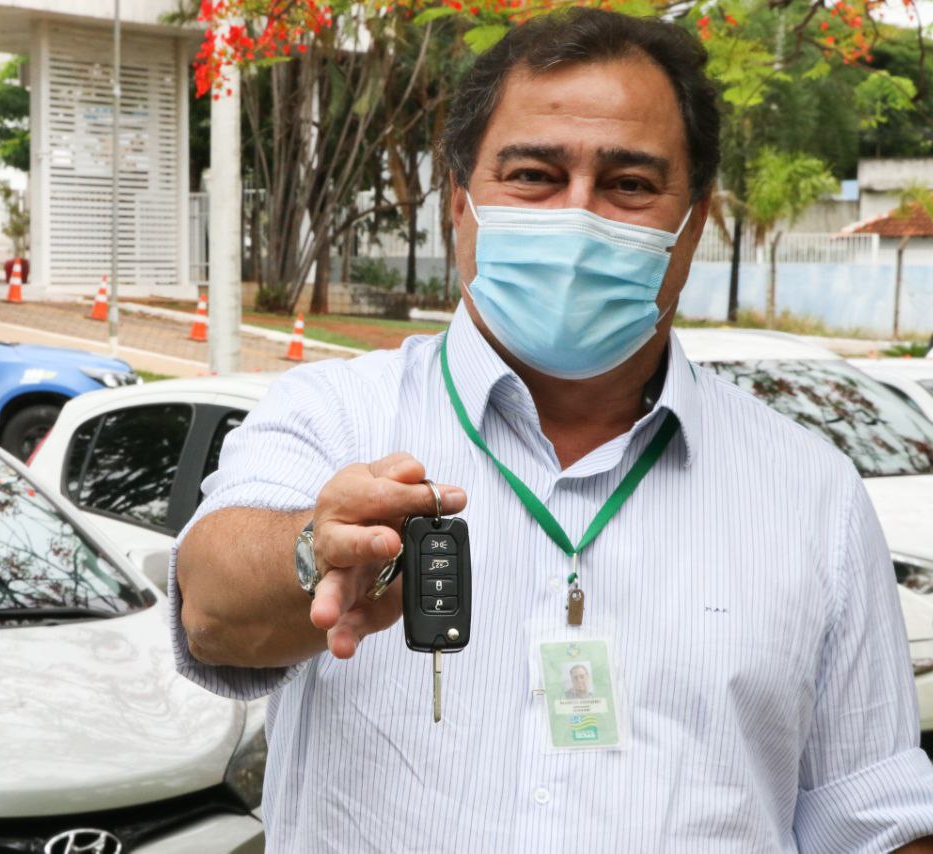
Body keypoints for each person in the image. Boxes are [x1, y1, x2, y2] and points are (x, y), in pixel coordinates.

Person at [173, 8, 933, 852]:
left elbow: (874, 817)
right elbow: (211, 603)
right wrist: (314, 551)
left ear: (696, 223)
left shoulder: (809, 493)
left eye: (631, 185)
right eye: (534, 175)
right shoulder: (332, 414)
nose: (579, 217)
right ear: (460, 205)